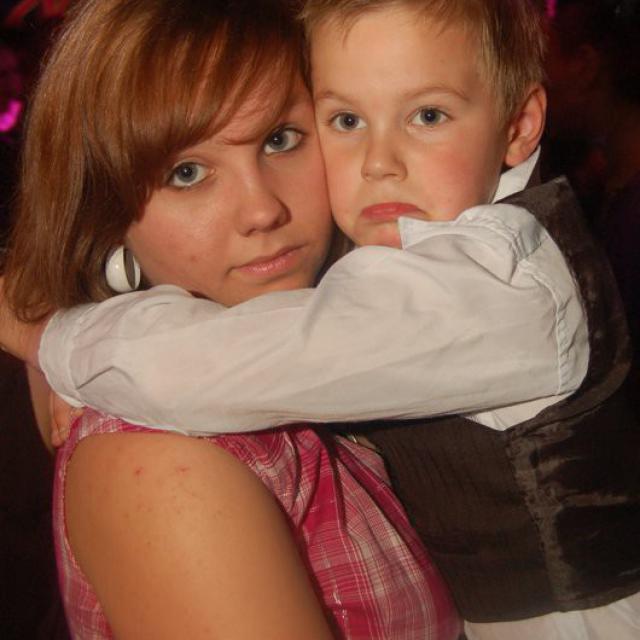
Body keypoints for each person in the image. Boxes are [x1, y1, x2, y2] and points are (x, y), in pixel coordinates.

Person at [3, 0, 638, 638]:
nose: (262, 210)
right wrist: (52, 334)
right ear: (106, 214)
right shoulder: (163, 463)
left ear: (518, 124)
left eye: (280, 139)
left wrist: (53, 335)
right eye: (187, 172)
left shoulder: (469, 282)